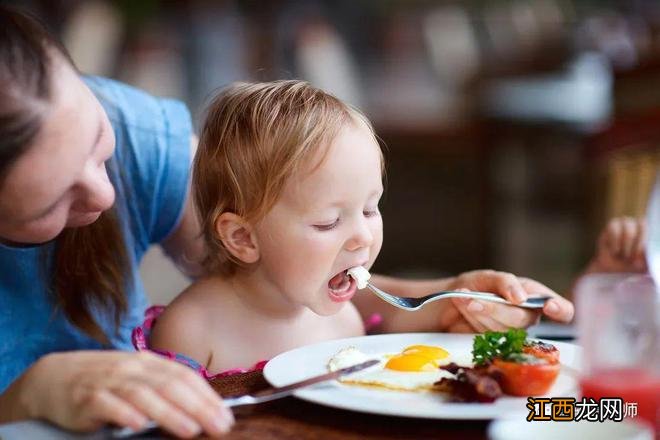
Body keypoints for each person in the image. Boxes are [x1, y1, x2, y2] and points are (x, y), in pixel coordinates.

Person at [0, 5, 573, 438]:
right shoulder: (193, 333)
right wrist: (26, 395)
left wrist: (443, 298)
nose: (106, 193)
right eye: (50, 204)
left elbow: (284, 278)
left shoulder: (143, 137)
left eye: (102, 145)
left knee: (601, 410)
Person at [141, 80, 572, 376]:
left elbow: (416, 318)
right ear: (243, 237)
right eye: (329, 221)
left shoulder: (346, 315)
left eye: (370, 210)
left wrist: (475, 300)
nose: (363, 237)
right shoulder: (192, 332)